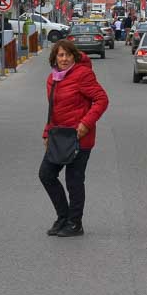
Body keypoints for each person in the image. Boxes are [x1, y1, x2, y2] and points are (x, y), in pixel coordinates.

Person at [39, 40, 109, 237]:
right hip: (59, 136)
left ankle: (75, 223)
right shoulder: (52, 78)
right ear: (54, 58)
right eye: (60, 55)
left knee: (74, 181)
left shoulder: (82, 74)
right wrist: (46, 133)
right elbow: (53, 110)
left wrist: (86, 124)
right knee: (46, 174)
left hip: (79, 137)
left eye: (68, 55)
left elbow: (102, 99)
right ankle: (63, 217)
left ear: (74, 56)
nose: (64, 59)